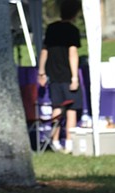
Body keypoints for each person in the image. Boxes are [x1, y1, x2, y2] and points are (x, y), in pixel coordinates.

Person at [37, 0, 83, 154]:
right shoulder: (72, 31)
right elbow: (72, 53)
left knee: (57, 108)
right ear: (75, 13)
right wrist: (75, 77)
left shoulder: (51, 28)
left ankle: (55, 141)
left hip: (53, 76)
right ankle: (69, 142)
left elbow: (44, 51)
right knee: (71, 110)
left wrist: (41, 71)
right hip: (67, 76)